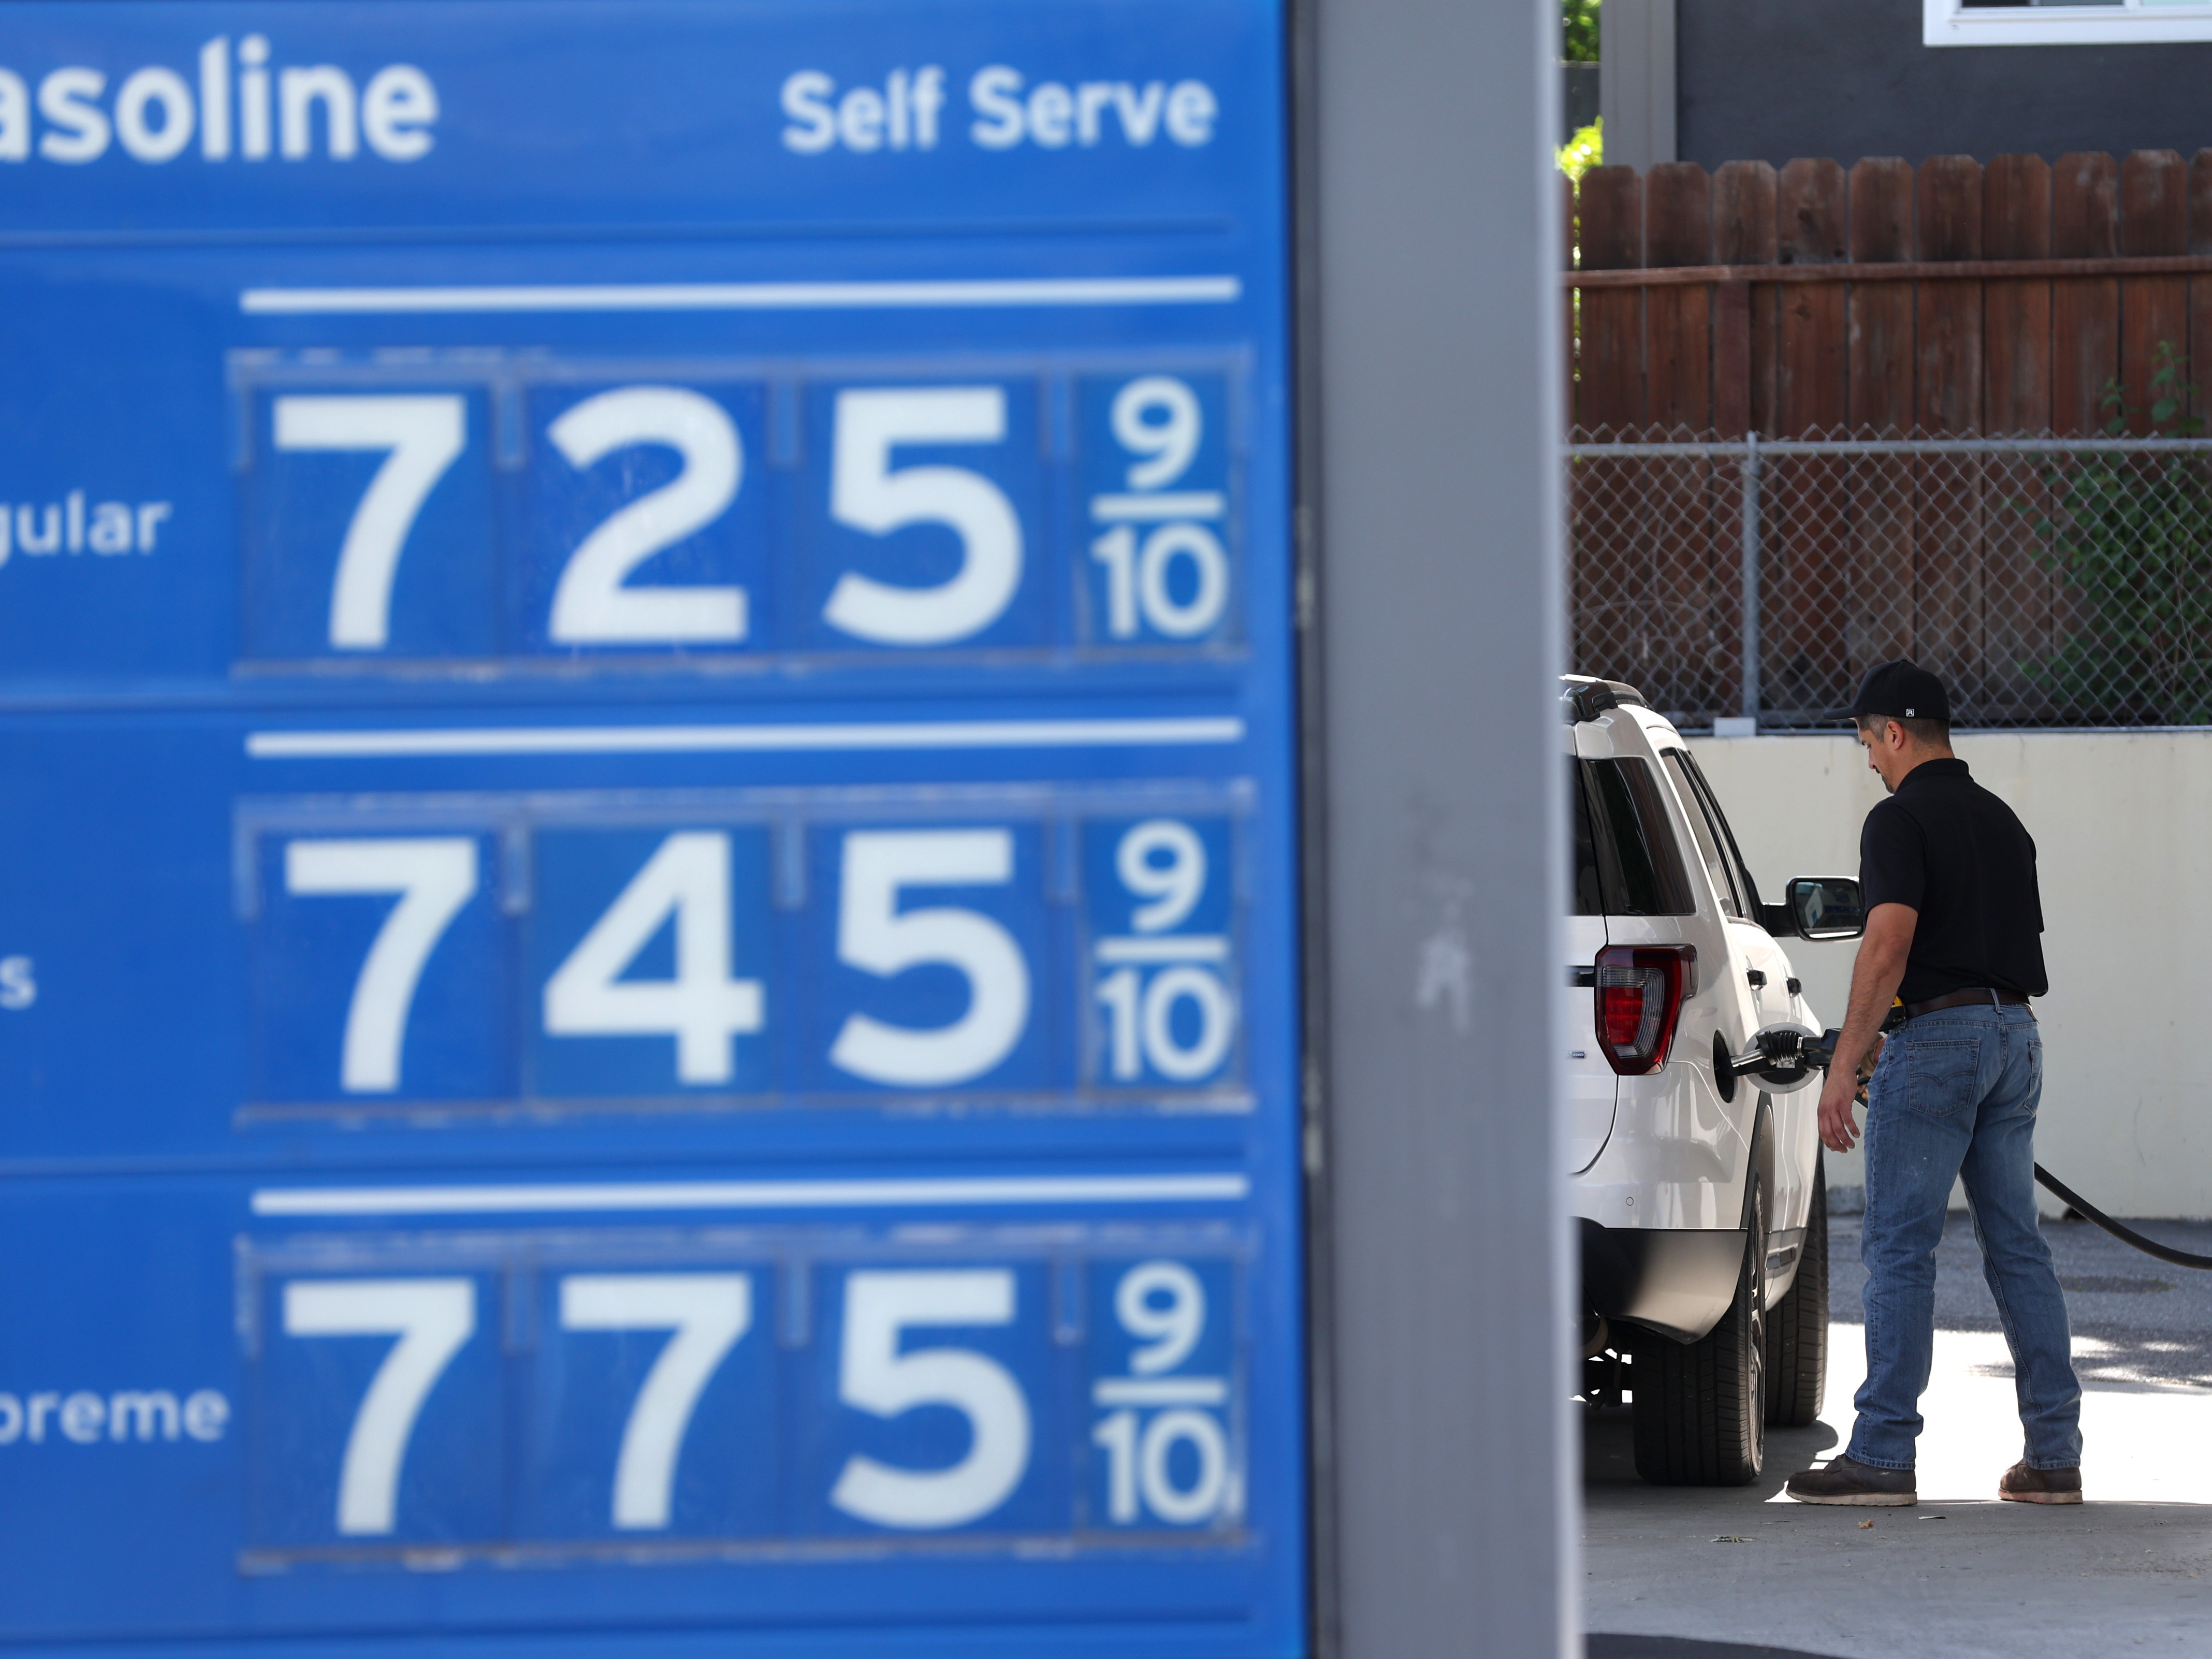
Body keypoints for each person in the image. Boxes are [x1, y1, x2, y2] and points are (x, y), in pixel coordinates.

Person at [1784, 661, 2083, 1508]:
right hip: (2014, 1036)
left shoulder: (1898, 819)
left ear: (1894, 732)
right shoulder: (2003, 821)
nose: (1869, 761)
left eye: (1867, 743)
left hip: (1940, 1044)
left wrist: (1844, 1062)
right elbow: (1979, 947)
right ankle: (2054, 1456)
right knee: (2017, 1248)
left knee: (1899, 1249)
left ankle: (1882, 1455)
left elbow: (1889, 943)